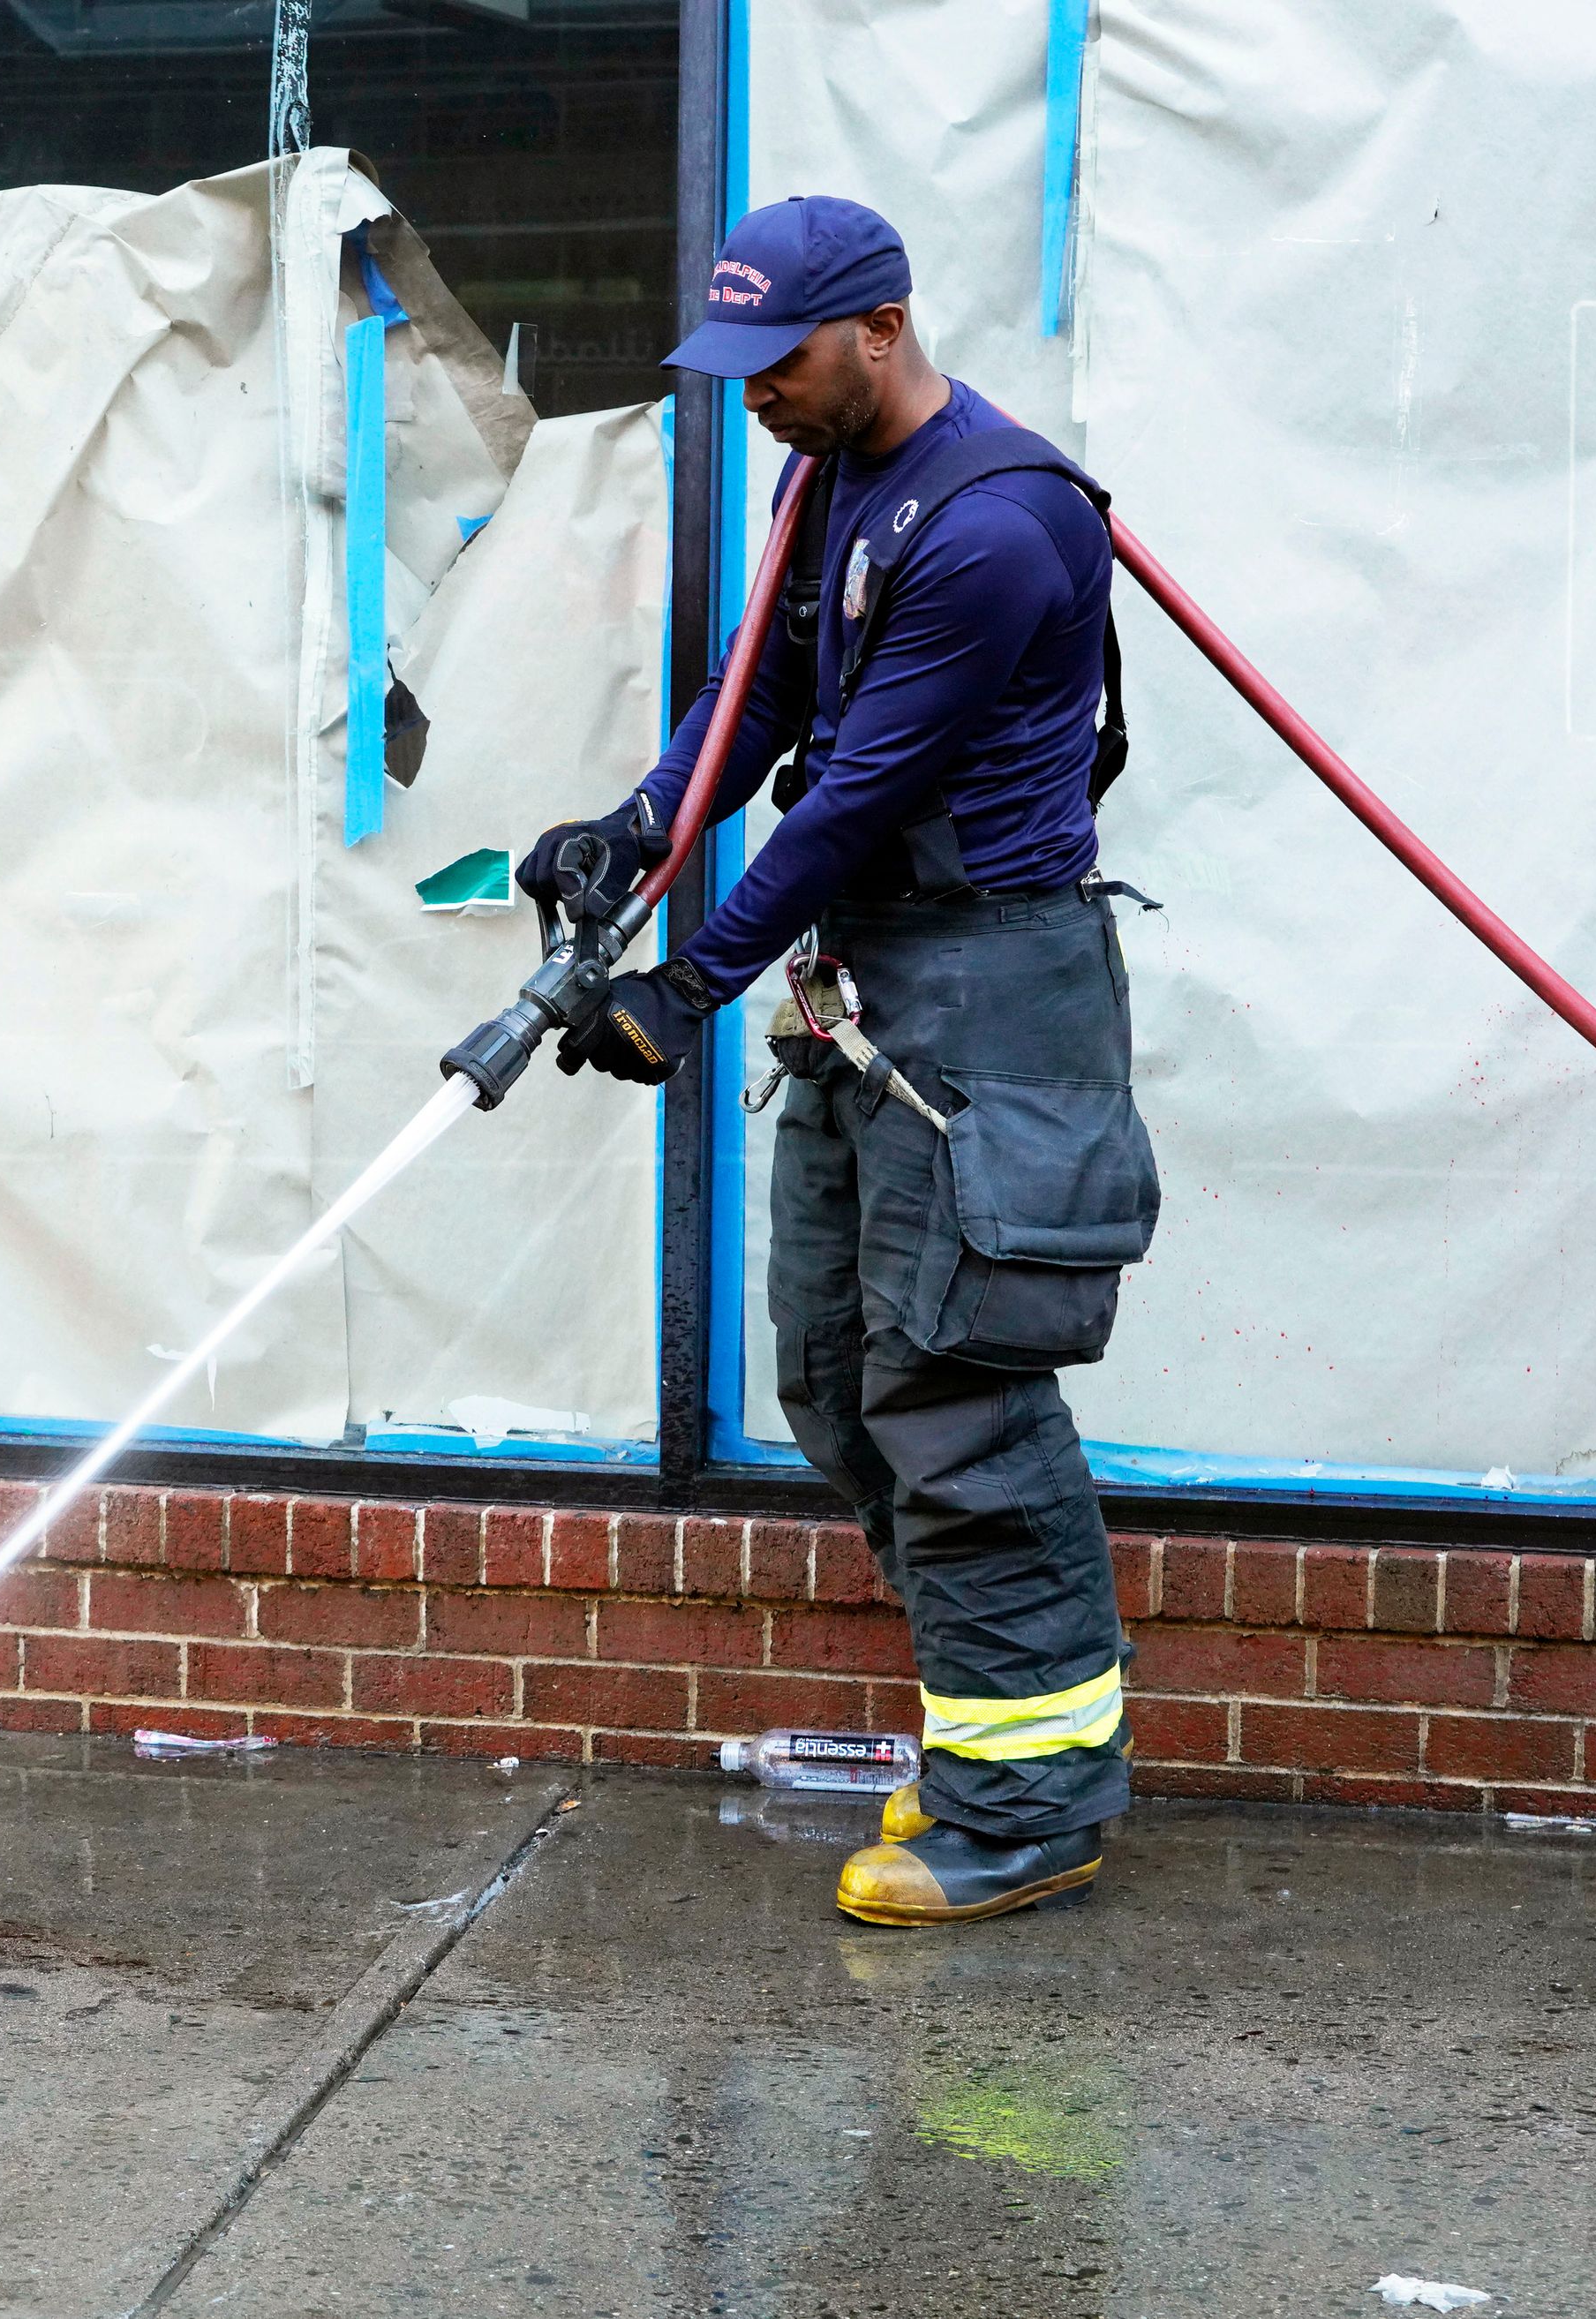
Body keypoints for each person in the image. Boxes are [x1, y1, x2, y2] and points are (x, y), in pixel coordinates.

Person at [520, 195, 1158, 1926]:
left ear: (877, 323)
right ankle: (999, 1748)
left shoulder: (999, 527)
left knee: (948, 1388)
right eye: (730, 373)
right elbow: (762, 704)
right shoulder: (829, 482)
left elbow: (859, 790)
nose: (755, 401)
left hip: (983, 997)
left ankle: (1026, 1806)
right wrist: (632, 831)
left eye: (777, 363)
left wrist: (685, 987)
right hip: (869, 988)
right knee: (831, 1370)